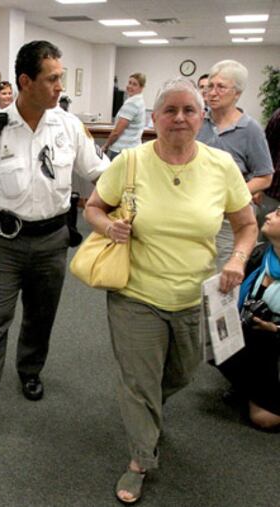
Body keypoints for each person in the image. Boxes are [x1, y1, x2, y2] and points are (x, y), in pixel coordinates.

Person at [84, 77, 257, 503]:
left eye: (189, 110)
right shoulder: (132, 162)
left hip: (193, 296)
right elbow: (92, 206)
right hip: (135, 293)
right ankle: (141, 459)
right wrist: (109, 225)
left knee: (181, 372)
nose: (179, 118)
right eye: (170, 110)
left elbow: (247, 225)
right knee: (139, 381)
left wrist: (236, 259)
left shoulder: (221, 166)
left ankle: (144, 411)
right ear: (155, 117)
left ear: (202, 118)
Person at [0, 40, 108, 439]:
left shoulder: (68, 126)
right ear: (25, 81)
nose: (59, 87)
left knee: (41, 316)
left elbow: (102, 174)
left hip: (53, 239)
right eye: (52, 79)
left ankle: (30, 371)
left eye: (61, 78)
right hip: (5, 243)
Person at [196, 60, 273, 269]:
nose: (212, 92)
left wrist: (231, 195)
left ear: (237, 93)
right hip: (197, 209)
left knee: (222, 275)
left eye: (221, 87)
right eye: (209, 86)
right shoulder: (197, 121)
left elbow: (265, 176)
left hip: (230, 218)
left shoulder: (250, 129)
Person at [217, 209, 280, 431]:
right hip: (252, 335)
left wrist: (276, 328)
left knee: (265, 419)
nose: (269, 215)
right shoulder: (259, 253)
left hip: (274, 342)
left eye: (279, 214)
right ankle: (247, 382)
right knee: (212, 343)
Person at [101, 73, 147, 160]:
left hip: (122, 151)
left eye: (134, 84)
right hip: (133, 149)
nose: (130, 86)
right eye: (129, 83)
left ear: (141, 88)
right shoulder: (139, 101)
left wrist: (106, 146)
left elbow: (117, 132)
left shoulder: (132, 104)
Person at [258, 107, 280, 230]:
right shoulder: (279, 116)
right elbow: (264, 152)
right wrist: (259, 188)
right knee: (264, 237)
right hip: (273, 194)